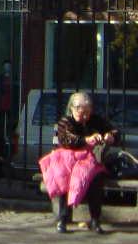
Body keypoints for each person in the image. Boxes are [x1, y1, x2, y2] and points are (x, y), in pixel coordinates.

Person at [40, 91, 121, 234]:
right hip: (67, 160)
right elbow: (64, 140)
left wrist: (111, 136)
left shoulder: (96, 120)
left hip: (89, 162)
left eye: (88, 112)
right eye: (81, 112)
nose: (85, 116)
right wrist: (86, 140)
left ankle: (95, 220)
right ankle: (62, 219)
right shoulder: (64, 122)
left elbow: (114, 131)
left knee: (96, 178)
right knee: (63, 177)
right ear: (73, 108)